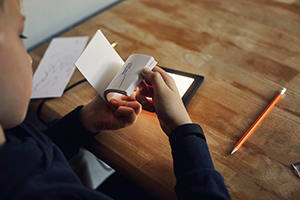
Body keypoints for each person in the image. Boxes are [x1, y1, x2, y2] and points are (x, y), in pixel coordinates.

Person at [0, 0, 231, 199]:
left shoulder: (9, 138)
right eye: (19, 35)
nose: (29, 58)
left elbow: (38, 149)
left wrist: (83, 121)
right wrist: (183, 130)